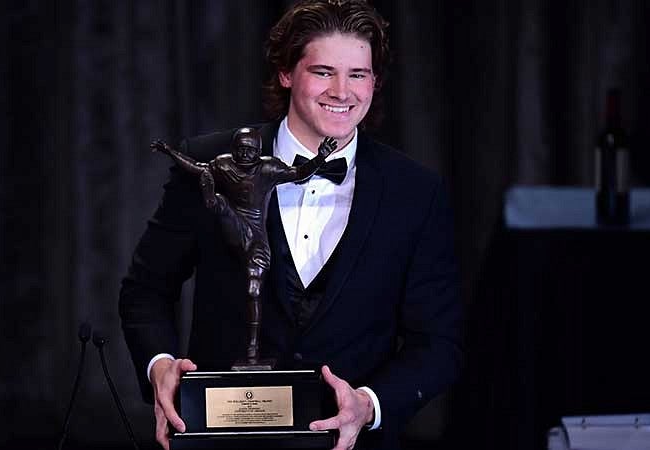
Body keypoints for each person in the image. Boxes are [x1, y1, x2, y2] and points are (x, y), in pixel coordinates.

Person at [119, 1, 463, 449]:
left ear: (375, 82)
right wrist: (160, 365)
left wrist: (370, 403)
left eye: (358, 74)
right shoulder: (210, 161)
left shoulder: (415, 192)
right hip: (222, 440)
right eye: (323, 72)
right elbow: (145, 289)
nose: (342, 91)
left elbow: (439, 343)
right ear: (286, 73)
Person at [150, 129, 338, 363]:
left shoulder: (268, 169)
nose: (245, 154)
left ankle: (252, 349)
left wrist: (320, 158)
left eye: (250, 150)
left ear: (258, 152)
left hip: (255, 238)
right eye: (240, 149)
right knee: (220, 202)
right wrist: (170, 152)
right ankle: (213, 198)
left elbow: (299, 173)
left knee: (253, 291)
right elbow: (196, 167)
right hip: (232, 224)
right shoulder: (224, 165)